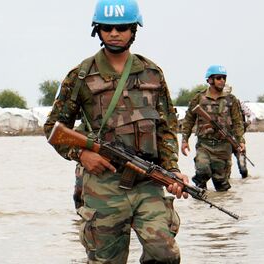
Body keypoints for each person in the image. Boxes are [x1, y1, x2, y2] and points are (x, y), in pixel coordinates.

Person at [44, 0, 189, 262]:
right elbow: (54, 129)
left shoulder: (152, 73)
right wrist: (81, 154)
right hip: (103, 184)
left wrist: (173, 171)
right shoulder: (81, 75)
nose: (114, 33)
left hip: (148, 180)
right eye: (107, 27)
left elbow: (166, 128)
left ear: (134, 29)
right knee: (106, 259)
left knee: (164, 253)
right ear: (97, 30)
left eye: (122, 27)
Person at [180, 65, 245, 191]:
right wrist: (184, 140)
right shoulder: (198, 98)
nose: (222, 81)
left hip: (224, 146)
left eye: (224, 78)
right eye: (218, 78)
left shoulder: (231, 100)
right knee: (202, 171)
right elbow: (188, 120)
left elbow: (238, 122)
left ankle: (220, 206)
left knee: (221, 184)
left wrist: (241, 140)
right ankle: (199, 197)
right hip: (204, 145)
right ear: (209, 80)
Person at [223, 85, 253, 178]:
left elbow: (252, 115)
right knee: (226, 170)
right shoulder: (216, 104)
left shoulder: (238, 103)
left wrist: (247, 123)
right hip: (224, 140)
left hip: (238, 139)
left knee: (243, 168)